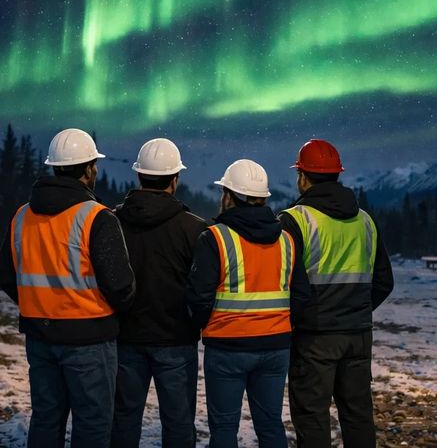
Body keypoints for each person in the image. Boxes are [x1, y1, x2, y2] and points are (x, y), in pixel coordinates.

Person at [0, 128, 136, 448]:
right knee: (92, 422)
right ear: (88, 170)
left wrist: (36, 303)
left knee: (46, 419)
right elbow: (120, 287)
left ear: (54, 167)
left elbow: (6, 275)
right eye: (94, 166)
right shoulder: (96, 218)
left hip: (40, 337)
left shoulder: (21, 216)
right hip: (89, 341)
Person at [186, 159, 310, 448]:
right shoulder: (287, 241)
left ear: (229, 197)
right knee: (270, 426)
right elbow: (303, 296)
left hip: (227, 347)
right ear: (262, 198)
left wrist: (207, 323)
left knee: (224, 429)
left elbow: (198, 296)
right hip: (275, 348)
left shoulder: (215, 238)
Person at [279, 139, 394, 448]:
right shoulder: (366, 221)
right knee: (358, 416)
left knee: (312, 417)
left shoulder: (295, 220)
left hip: (314, 337)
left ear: (303, 176)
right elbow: (384, 281)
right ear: (337, 175)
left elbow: (286, 283)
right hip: (357, 336)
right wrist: (355, 311)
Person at [110, 138, 208, 448]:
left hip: (126, 337)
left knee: (123, 421)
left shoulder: (112, 222)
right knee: (179, 425)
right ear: (175, 179)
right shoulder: (194, 228)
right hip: (176, 339)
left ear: (138, 176)